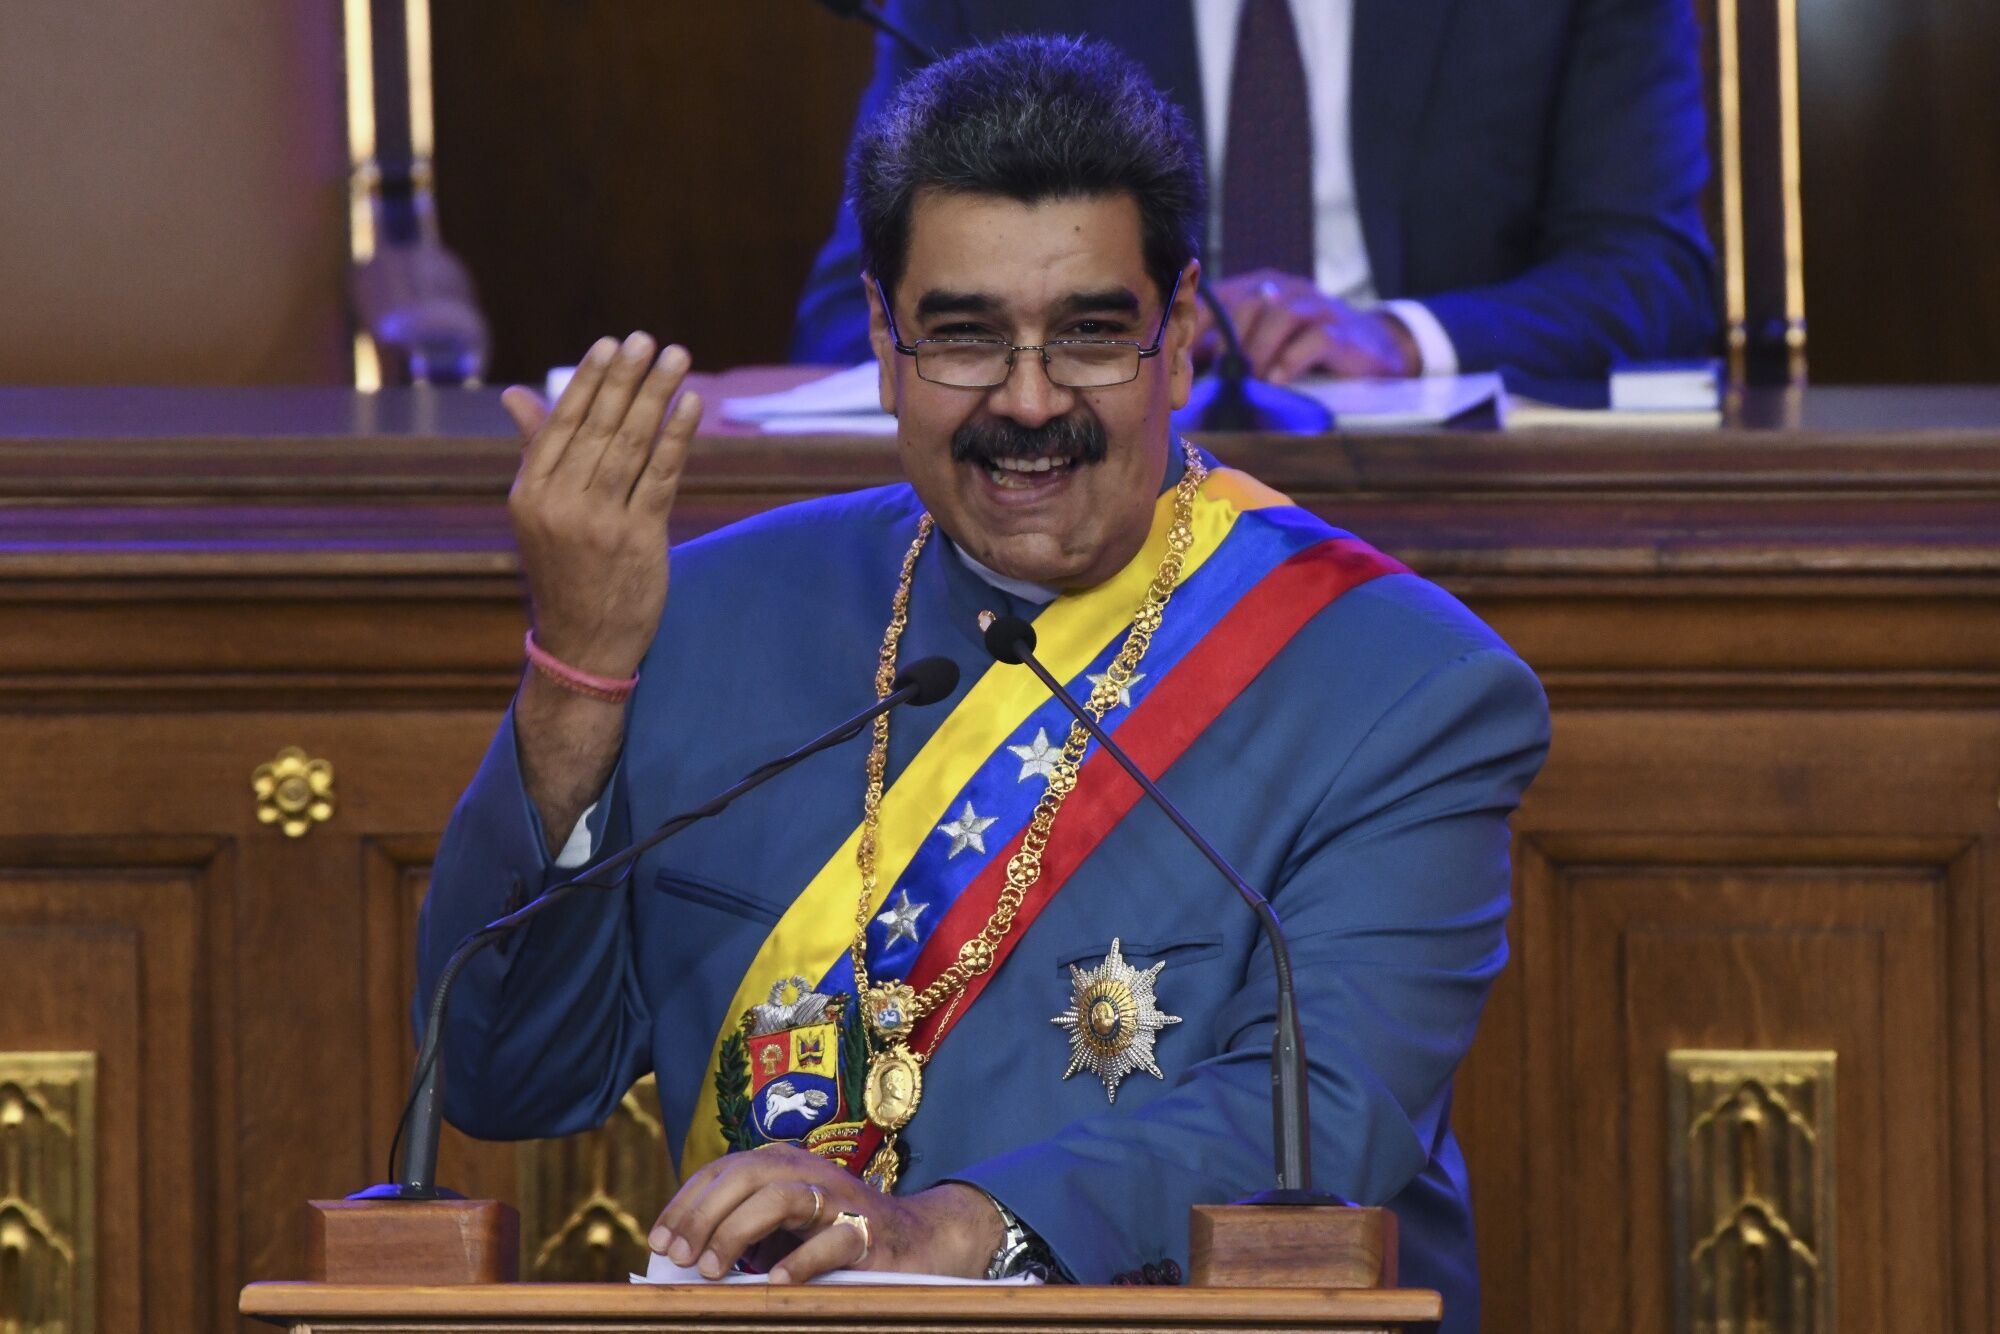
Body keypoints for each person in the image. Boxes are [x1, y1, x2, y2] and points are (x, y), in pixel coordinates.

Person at [418, 36, 1546, 1329]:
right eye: (963, 338)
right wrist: (579, 677)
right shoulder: (709, 617)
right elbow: (503, 1081)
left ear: (1177, 335)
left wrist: (940, 1230)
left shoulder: (1401, 680)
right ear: (885, 344)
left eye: (1089, 336)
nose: (1026, 400)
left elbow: (1324, 1115)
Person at [792, 0, 1717, 382]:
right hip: (1102, 466)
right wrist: (1107, 341)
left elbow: (1653, 271)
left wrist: (1401, 338)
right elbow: (855, 311)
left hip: (1454, 497)